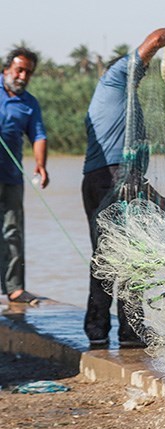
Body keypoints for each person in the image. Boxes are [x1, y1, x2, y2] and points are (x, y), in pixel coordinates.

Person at [81, 27, 165, 348]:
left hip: (115, 179)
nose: (143, 74)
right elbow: (155, 40)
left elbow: (132, 174)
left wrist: (158, 199)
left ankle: (107, 330)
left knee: (113, 255)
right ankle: (123, 331)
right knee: (122, 255)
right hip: (109, 180)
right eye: (141, 70)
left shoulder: (124, 100)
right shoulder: (114, 79)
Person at [0, 47, 49, 306]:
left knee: (12, 232)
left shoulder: (29, 103)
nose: (22, 76)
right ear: (6, 68)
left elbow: (38, 135)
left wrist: (41, 164)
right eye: (19, 70)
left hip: (11, 176)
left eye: (28, 73)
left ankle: (15, 289)